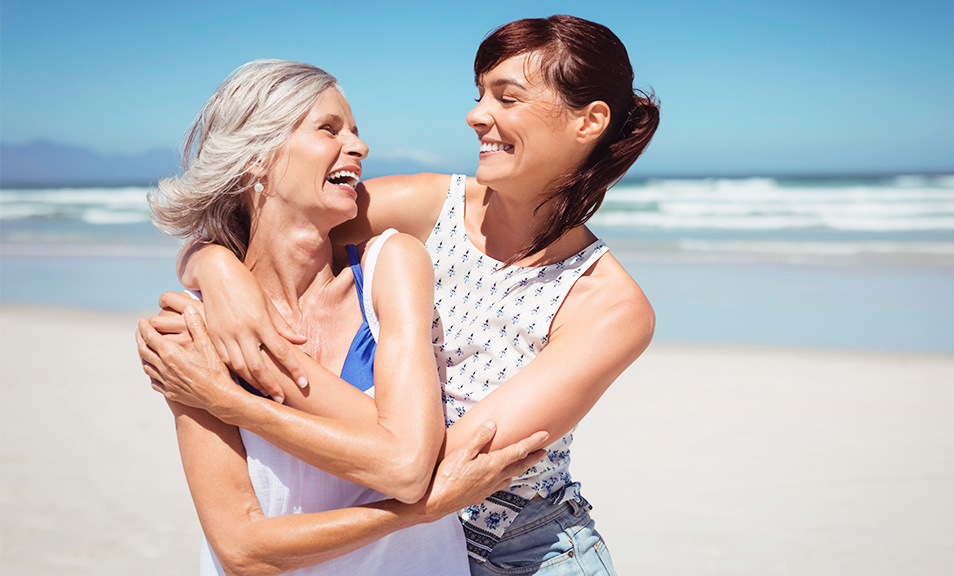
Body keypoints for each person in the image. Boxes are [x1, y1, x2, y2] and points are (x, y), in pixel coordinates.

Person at [157, 14, 659, 575]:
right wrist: (215, 269)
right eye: (479, 94)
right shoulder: (425, 209)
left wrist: (244, 384)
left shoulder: (608, 305)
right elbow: (274, 219)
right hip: (394, 539)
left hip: (524, 555)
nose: (476, 115)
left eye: (507, 97)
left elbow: (432, 461)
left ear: (588, 121)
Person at [135, 59, 548, 575]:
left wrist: (234, 403)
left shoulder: (390, 266)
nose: (358, 146)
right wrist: (419, 512)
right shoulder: (193, 329)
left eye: (355, 131)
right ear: (255, 160)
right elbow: (241, 549)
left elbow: (406, 465)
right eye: (329, 129)